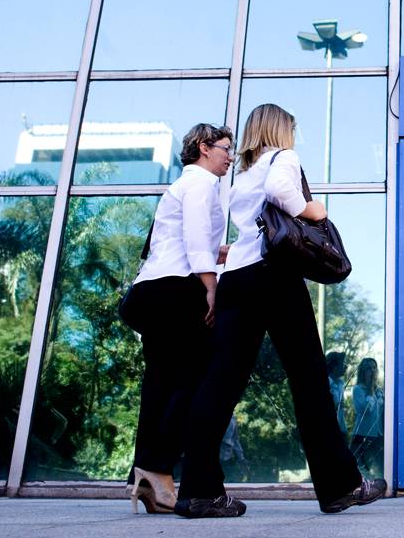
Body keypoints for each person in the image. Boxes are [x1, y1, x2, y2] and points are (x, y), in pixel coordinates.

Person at [175, 103, 386, 518]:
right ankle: (340, 486)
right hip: (276, 278)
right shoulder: (282, 158)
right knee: (310, 382)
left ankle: (198, 491)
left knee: (220, 384)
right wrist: (315, 209)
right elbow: (282, 193)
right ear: (280, 130)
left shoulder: (243, 175)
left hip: (238, 279)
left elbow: (252, 225)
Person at [127, 123, 234, 514]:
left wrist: (223, 253)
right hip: (175, 291)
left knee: (160, 386)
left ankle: (146, 477)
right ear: (204, 148)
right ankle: (158, 469)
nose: (230, 157)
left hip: (151, 292)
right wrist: (211, 286)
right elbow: (195, 237)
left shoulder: (180, 186)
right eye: (225, 148)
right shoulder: (202, 184)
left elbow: (181, 241)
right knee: (193, 382)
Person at [351, 358, 384, 479]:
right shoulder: (358, 389)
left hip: (378, 435)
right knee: (361, 468)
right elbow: (365, 409)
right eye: (369, 368)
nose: (373, 371)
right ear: (363, 372)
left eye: (374, 368)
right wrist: (370, 390)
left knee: (379, 468)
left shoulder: (379, 390)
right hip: (363, 434)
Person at [325, 351, 348, 440]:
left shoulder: (341, 384)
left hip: (341, 430)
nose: (346, 366)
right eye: (343, 363)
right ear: (334, 366)